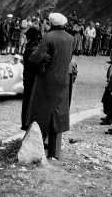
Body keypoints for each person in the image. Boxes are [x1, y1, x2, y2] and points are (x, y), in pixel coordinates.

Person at [24, 13, 74, 160]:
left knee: (40, 116)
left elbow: (34, 59)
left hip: (46, 82)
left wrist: (40, 59)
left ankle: (36, 150)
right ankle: (53, 153)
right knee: (56, 117)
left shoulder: (48, 37)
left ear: (51, 24)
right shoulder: (70, 38)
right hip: (62, 81)